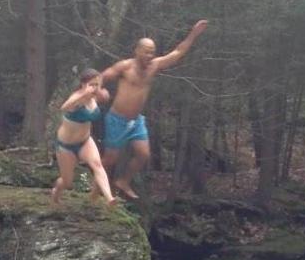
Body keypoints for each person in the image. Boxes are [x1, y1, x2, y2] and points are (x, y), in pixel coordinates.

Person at [99, 19, 209, 199]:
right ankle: (97, 189)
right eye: (146, 52)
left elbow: (178, 52)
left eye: (152, 52)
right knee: (110, 159)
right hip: (117, 118)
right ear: (137, 51)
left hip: (136, 121)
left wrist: (193, 34)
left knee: (143, 155)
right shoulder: (125, 66)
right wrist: (99, 90)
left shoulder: (155, 66)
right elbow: (103, 77)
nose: (150, 55)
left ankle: (123, 181)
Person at [50, 68, 116, 207]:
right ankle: (56, 190)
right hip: (66, 146)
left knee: (97, 165)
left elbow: (104, 97)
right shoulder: (76, 97)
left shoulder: (96, 97)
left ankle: (109, 198)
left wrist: (104, 95)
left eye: (98, 85)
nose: (95, 88)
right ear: (83, 84)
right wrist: (83, 95)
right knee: (67, 181)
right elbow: (64, 107)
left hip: (85, 141)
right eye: (92, 84)